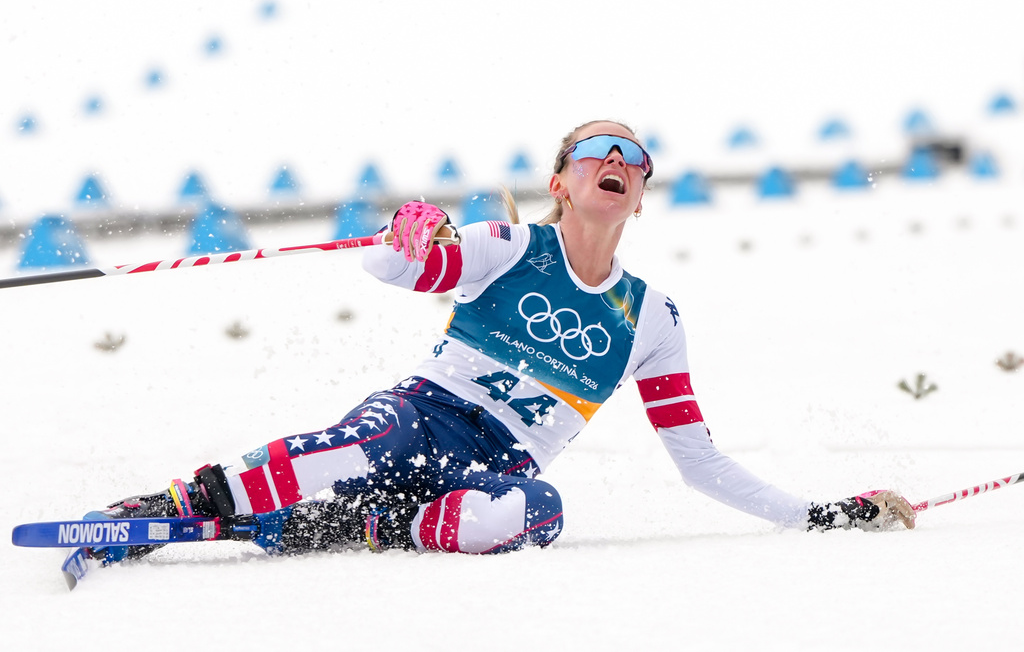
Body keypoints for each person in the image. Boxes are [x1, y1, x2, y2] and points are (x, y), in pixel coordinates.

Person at [87, 119, 915, 565]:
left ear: (639, 196)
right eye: (599, 150)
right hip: (422, 415)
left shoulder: (652, 320)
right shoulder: (513, 246)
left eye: (635, 157)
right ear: (562, 182)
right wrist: (402, 230)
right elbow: (394, 270)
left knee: (540, 514)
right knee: (366, 442)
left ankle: (367, 526)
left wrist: (821, 513)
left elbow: (699, 462)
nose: (618, 160)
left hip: (499, 465)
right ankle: (177, 504)